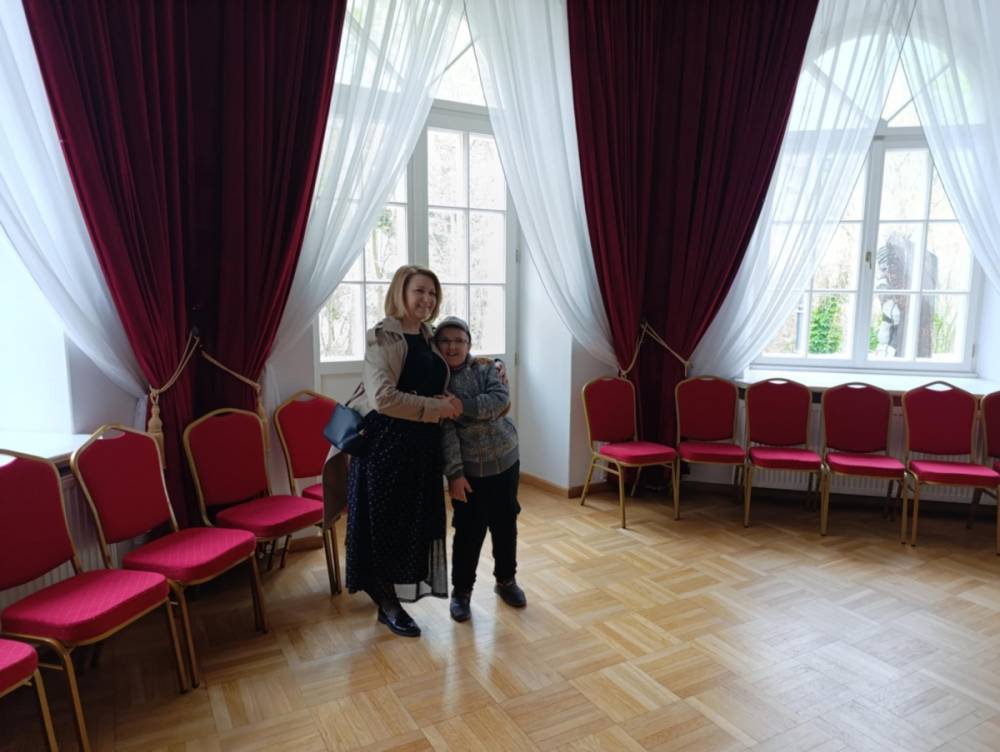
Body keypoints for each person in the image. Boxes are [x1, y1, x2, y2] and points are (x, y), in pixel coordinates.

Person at [345, 265, 461, 637]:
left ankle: (389, 592)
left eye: (432, 293)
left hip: (421, 447)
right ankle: (387, 602)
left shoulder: (428, 336)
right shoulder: (382, 337)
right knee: (387, 525)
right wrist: (438, 408)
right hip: (387, 446)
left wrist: (493, 365)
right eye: (419, 291)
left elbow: (456, 357)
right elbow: (383, 399)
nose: (427, 299)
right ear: (401, 293)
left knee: (412, 523)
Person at [434, 316, 526, 623]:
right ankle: (461, 593)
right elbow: (446, 433)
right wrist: (455, 475)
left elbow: (500, 401)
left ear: (469, 344)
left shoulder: (486, 367)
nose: (452, 346)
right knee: (468, 531)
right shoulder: (436, 382)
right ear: (436, 344)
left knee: (505, 522)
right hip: (470, 471)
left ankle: (506, 580)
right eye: (446, 340)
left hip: (506, 458)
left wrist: (461, 407)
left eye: (459, 340)